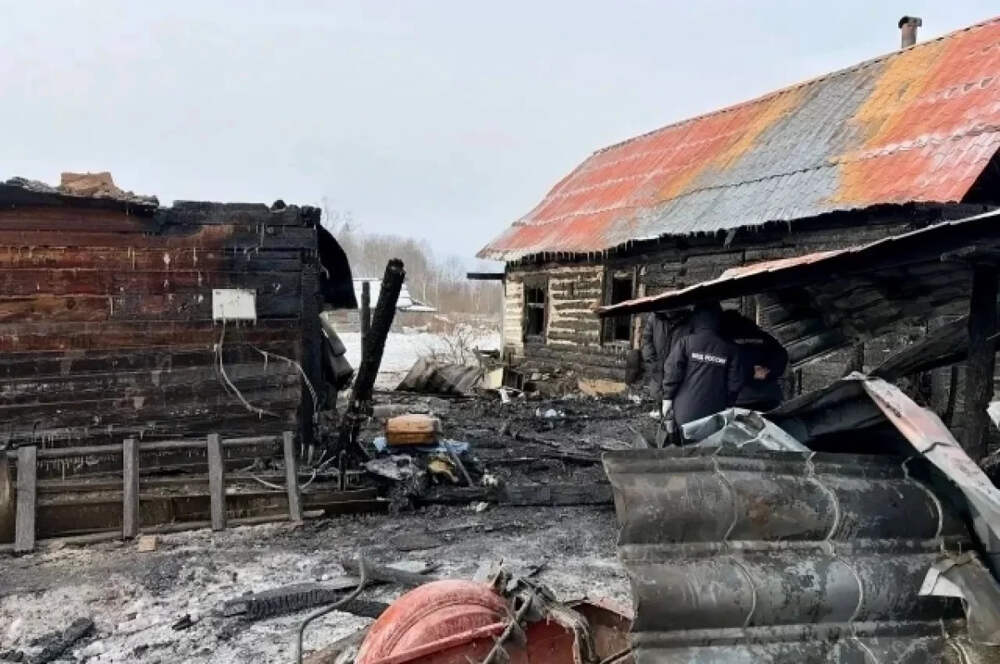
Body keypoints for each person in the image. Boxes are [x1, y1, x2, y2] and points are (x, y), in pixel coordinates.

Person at [661, 302, 744, 431]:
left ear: (695, 318)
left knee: (682, 441)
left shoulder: (685, 342)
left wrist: (667, 398)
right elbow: (735, 382)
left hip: (684, 412)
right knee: (708, 442)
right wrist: (729, 404)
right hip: (714, 413)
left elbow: (672, 372)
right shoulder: (730, 348)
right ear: (718, 319)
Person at [721, 309, 789, 411]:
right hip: (769, 396)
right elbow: (781, 355)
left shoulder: (722, 341)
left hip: (739, 400)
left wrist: (751, 372)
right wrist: (769, 371)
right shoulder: (762, 336)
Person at [640, 309, 691, 402]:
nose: (669, 313)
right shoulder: (654, 317)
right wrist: (654, 363)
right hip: (657, 374)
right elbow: (646, 340)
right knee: (658, 398)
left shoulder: (689, 319)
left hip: (679, 378)